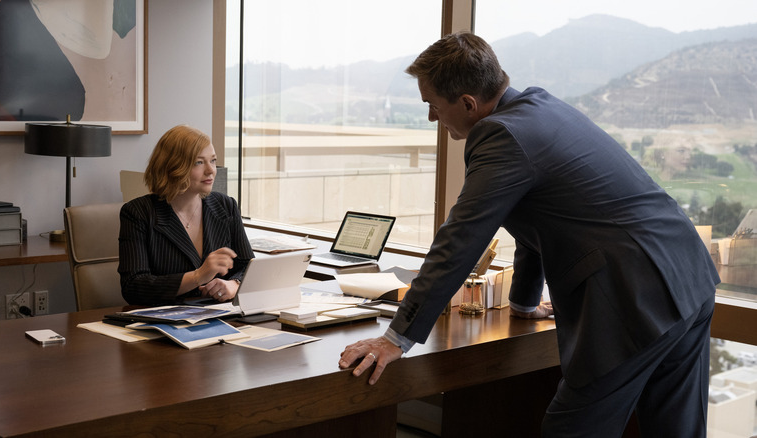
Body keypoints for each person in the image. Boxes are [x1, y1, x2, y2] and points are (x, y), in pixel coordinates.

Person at [338, 32, 719, 437]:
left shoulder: (501, 135)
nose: (432, 117)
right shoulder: (542, 108)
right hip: (688, 276)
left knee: (571, 429)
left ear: (467, 104)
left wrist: (396, 337)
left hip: (634, 298)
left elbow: (459, 241)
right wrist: (522, 303)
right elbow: (538, 219)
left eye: (433, 105)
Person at [119, 125, 254, 306]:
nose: (211, 170)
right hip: (164, 320)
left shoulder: (226, 206)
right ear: (173, 166)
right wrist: (198, 276)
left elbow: (247, 265)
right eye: (199, 162)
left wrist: (233, 284)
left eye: (213, 160)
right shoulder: (138, 213)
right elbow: (133, 287)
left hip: (220, 316)